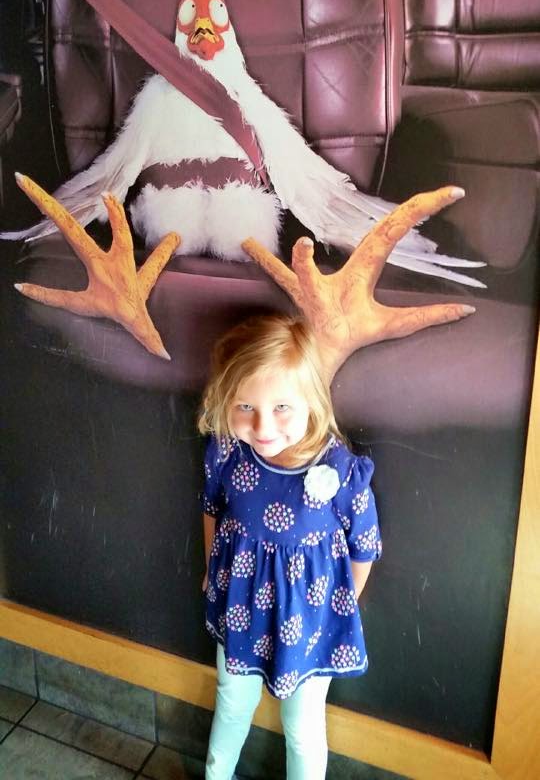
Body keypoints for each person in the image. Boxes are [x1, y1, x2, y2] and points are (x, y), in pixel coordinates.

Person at [198, 314, 382, 780]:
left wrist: (339, 609)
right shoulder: (227, 452)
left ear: (311, 401)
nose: (263, 426)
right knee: (232, 705)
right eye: (245, 406)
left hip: (310, 626)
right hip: (240, 611)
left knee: (302, 727)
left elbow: (364, 546)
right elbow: (212, 510)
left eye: (282, 407)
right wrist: (210, 569)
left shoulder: (339, 471)